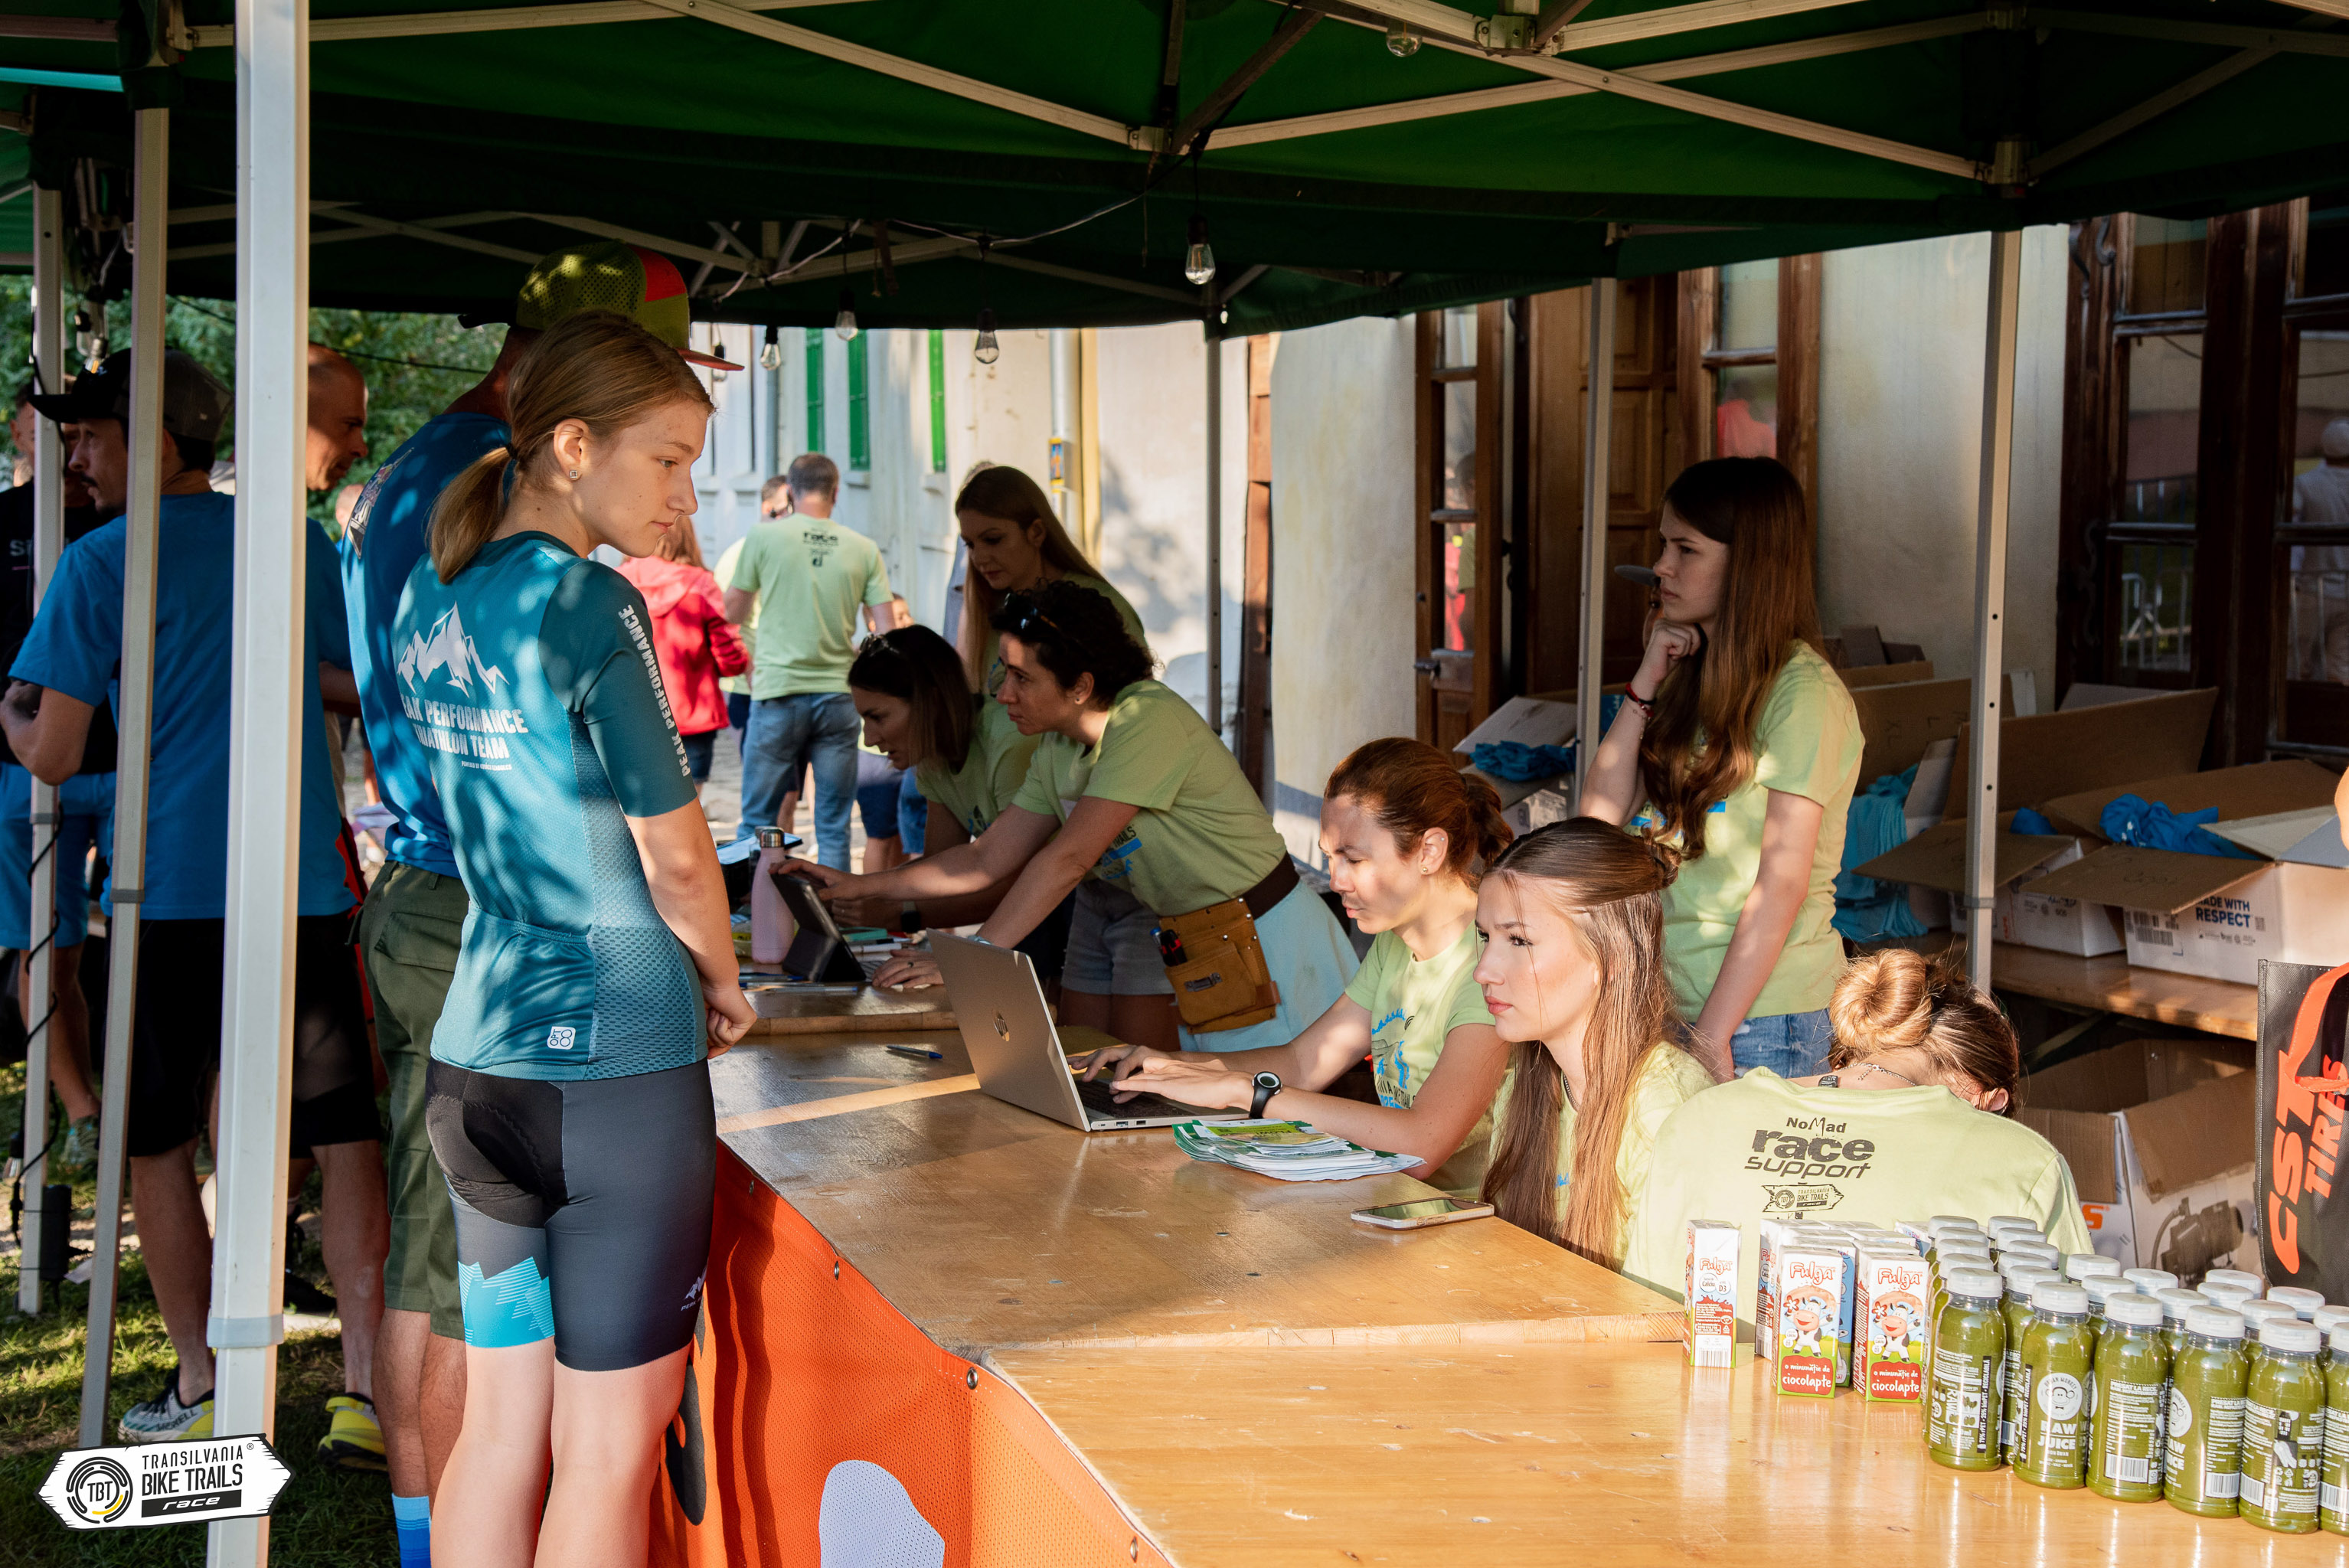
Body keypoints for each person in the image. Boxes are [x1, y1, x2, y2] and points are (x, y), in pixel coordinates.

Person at [339, 240, 733, 1560]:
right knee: (607, 1453)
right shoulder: (587, 600)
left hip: (480, 1052)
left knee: (504, 1433)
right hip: (612, 1062)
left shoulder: (438, 580)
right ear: (573, 447)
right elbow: (678, 855)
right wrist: (724, 981)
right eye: (667, 459)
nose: (683, 493)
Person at [6, 348, 384, 1449]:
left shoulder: (102, 559)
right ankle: (365, 1392)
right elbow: (355, 683)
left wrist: (12, 715)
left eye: (92, 434)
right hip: (299, 883)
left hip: (165, 891)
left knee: (158, 1142)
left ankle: (205, 1380)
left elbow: (54, 750)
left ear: (160, 440)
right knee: (342, 1135)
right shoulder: (291, 541)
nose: (75, 455)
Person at [803, 580, 1356, 1054]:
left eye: (1022, 678)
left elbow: (1067, 859)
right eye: (1002, 673)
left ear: (1081, 686)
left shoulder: (1145, 719)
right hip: (1203, 942)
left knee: (1266, 1119)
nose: (1003, 693)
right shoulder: (1058, 747)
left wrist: (973, 959)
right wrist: (859, 884)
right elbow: (986, 857)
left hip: (1270, 939)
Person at [1079, 737, 1511, 1188]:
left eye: (1354, 859)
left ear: (1429, 851)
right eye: (1330, 857)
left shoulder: (1490, 965)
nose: (1336, 880)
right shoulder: (1395, 943)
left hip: (1482, 1219)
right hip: (1405, 1200)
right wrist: (1174, 1065)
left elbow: (1420, 1147)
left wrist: (1244, 1091)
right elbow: (1304, 1062)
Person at [1580, 456, 1860, 1080]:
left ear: (1749, 565)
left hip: (1760, 1019)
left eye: (1686, 549)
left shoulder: (1804, 694)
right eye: (1664, 546)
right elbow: (1595, 824)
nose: (1662, 566)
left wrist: (1713, 1032)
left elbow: (1781, 885)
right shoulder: (1688, 677)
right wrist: (1646, 682)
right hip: (1668, 1001)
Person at [1622, 948, 2096, 1302]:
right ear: (1987, 1099)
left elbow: (1638, 1313)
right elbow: (2065, 1331)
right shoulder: (2024, 1160)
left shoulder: (1700, 1116)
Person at [1469, 820, 1714, 1266]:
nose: (1483, 971)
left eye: (1519, 940)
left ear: (1610, 954)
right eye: (1486, 937)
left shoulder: (1665, 1109)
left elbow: (1664, 1306)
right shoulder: (1520, 1092)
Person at [0, 381, 110, 1174]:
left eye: (83, 435)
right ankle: (83, 1114)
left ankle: (151, 1099)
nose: (70, 452)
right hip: (23, 770)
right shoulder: (5, 521)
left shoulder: (126, 521)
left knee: (152, 937)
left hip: (136, 764)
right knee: (48, 944)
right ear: (21, 439)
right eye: (52, 434)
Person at [828, 624, 1065, 964]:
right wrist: (848, 894)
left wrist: (897, 913)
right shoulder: (933, 757)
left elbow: (1019, 884)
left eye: (877, 717)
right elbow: (940, 868)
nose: (869, 738)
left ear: (931, 702)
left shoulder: (1008, 742)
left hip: (1068, 908)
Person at [724, 452, 904, 867]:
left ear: (790, 491)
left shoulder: (764, 538)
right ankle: (833, 907)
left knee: (756, 821)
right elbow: (888, 629)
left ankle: (754, 905)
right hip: (838, 695)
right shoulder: (863, 548)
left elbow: (732, 610)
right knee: (834, 825)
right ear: (835, 493)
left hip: (778, 691)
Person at [953, 464, 1147, 695]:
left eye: (993, 539)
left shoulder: (1099, 606)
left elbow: (1140, 704)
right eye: (970, 544)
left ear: (1036, 532)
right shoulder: (989, 608)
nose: (979, 557)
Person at [615, 521, 746, 788]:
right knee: (690, 803)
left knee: (639, 802)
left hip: (630, 715)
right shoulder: (701, 583)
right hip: (692, 715)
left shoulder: (616, 582)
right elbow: (731, 659)